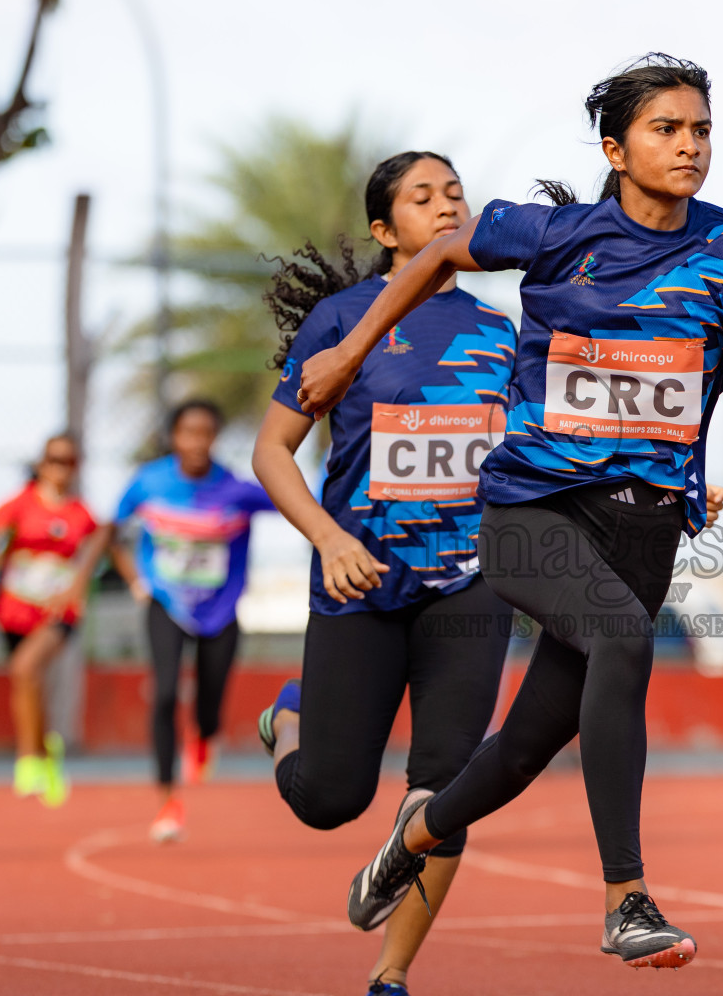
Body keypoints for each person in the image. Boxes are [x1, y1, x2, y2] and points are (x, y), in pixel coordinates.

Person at [295, 55, 723, 970]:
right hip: (533, 511)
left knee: (523, 747)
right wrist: (349, 353)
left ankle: (413, 840)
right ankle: (627, 898)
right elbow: (432, 254)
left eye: (701, 130)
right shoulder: (547, 234)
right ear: (616, 148)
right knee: (624, 640)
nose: (690, 146)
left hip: (648, 528)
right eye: (668, 130)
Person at [251, 151, 517, 996]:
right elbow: (271, 451)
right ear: (383, 228)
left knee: (447, 791)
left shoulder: (500, 332)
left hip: (468, 586)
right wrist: (329, 538)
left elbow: (544, 447)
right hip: (359, 582)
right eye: (422, 197)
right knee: (329, 798)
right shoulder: (343, 321)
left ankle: (391, 974)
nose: (447, 207)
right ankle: (287, 720)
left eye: (455, 194)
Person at [101, 399, 275, 842]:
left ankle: (205, 734)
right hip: (166, 603)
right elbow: (110, 533)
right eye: (187, 432)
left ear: (215, 438)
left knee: (210, 697)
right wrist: (135, 581)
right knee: (162, 693)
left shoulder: (237, 490)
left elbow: (296, 504)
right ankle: (167, 800)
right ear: (174, 437)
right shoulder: (148, 482)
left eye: (205, 433)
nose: (196, 442)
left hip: (220, 609)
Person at [0, 434, 102, 808]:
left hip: (57, 613)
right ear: (41, 464)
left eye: (68, 461)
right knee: (26, 682)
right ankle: (48, 749)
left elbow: (100, 544)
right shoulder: (18, 504)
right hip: (16, 610)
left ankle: (28, 759)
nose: (59, 468)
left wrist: (78, 583)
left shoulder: (80, 513)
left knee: (25, 668)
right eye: (53, 460)